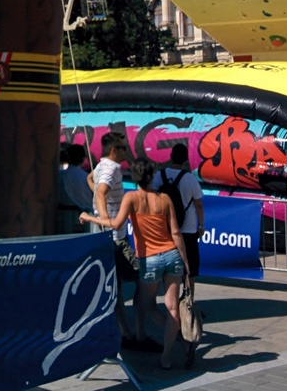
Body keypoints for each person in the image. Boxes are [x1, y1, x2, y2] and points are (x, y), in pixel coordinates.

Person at [82, 158, 192, 369]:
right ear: (152, 176)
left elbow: (116, 224)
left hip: (150, 259)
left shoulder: (131, 198)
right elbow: (176, 233)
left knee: (148, 305)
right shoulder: (165, 198)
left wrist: (90, 218)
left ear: (134, 177)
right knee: (173, 308)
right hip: (172, 255)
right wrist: (185, 262)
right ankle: (168, 356)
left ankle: (180, 342)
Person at [90, 132, 158, 352]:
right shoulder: (112, 168)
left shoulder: (100, 166)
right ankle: (140, 334)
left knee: (117, 287)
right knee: (143, 280)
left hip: (107, 239)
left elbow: (92, 182)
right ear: (113, 150)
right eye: (123, 148)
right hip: (117, 239)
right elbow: (101, 192)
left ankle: (126, 332)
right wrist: (106, 220)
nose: (126, 152)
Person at [153, 144, 204, 277]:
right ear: (186, 160)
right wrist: (201, 225)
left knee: (166, 265)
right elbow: (199, 205)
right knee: (190, 266)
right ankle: (189, 289)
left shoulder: (159, 175)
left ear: (171, 156)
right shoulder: (190, 178)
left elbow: (152, 197)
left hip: (165, 227)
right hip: (187, 228)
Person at [57, 143, 91, 232]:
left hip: (61, 217)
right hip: (82, 217)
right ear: (83, 159)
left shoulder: (59, 176)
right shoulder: (86, 177)